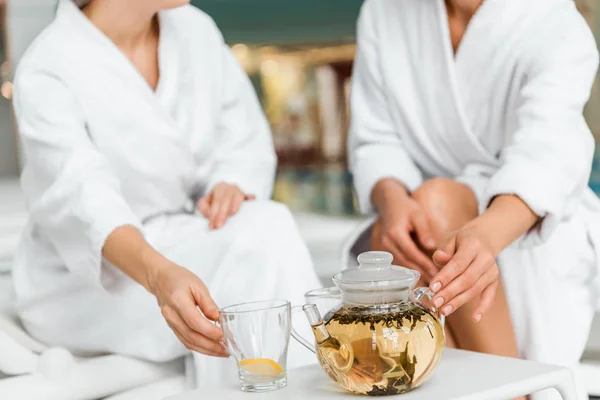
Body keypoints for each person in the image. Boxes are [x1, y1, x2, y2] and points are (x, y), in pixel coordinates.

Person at [12, 0, 321, 387]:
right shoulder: (49, 67)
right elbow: (84, 199)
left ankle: (290, 388)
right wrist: (160, 277)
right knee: (248, 254)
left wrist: (229, 183)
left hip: (183, 237)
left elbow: (240, 137)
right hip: (84, 281)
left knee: (266, 224)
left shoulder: (195, 30)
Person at [348, 0, 600, 399]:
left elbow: (548, 155)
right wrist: (393, 202)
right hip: (415, 220)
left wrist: (483, 237)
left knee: (437, 208)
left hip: (525, 218)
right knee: (398, 236)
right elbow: (376, 138)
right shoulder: (384, 11)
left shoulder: (553, 20)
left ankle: (514, 393)